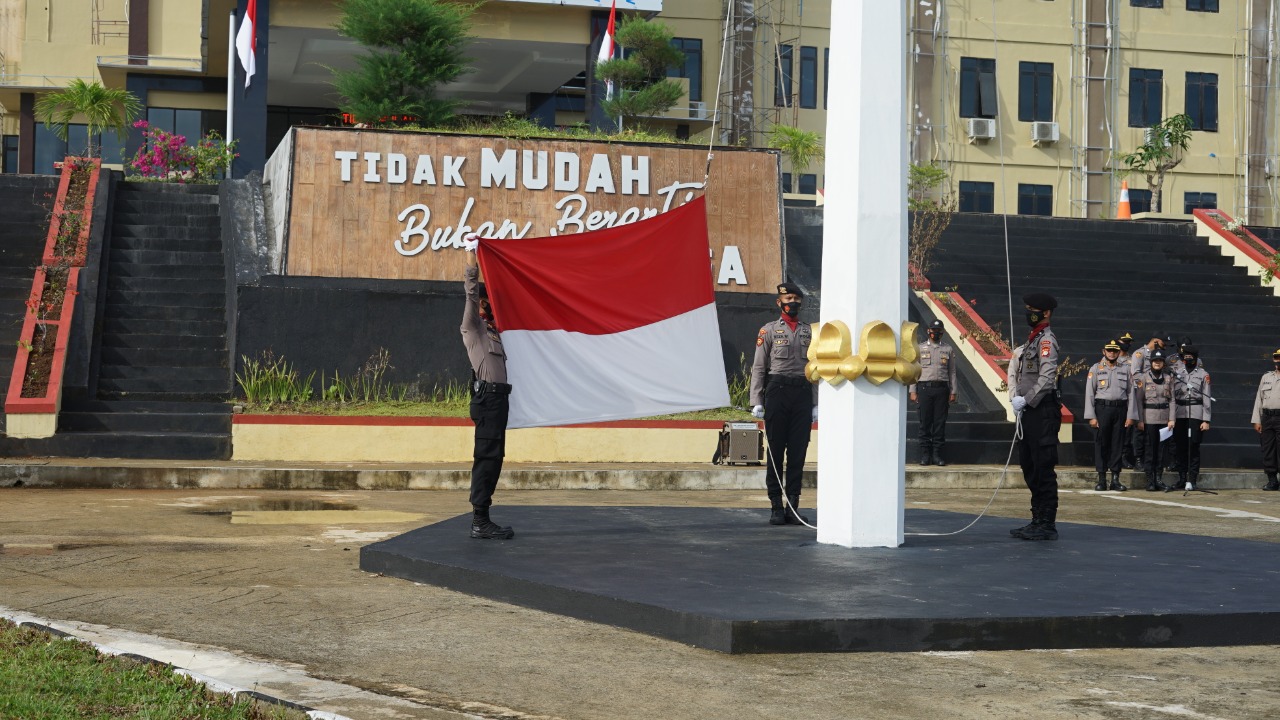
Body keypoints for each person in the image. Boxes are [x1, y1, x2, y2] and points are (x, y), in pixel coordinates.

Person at [460, 235, 515, 540]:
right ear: (482, 304)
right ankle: (480, 521)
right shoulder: (474, 328)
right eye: (490, 300)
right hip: (488, 400)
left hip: (499, 401)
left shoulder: (494, 332)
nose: (495, 304)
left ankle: (483, 518)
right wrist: (472, 254)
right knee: (486, 457)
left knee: (494, 458)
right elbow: (470, 293)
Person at [750, 283, 817, 526]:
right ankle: (776, 507)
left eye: (796, 299)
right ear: (779, 302)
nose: (793, 302)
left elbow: (815, 369)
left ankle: (793, 508)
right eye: (788, 298)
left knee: (798, 453)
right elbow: (759, 367)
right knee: (776, 452)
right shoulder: (768, 330)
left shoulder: (810, 331)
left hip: (802, 393)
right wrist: (757, 400)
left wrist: (815, 403)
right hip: (777, 391)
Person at [1007, 293, 1061, 541]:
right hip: (1029, 412)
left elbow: (1047, 378)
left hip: (1042, 411)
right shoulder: (1032, 341)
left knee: (1042, 467)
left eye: (1033, 309)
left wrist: (1026, 400)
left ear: (1046, 313)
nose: (1029, 313)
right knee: (1029, 466)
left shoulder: (1046, 341)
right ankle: (1036, 518)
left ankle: (1047, 523)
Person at [909, 319, 957, 466]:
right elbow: (914, 370)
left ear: (942, 332)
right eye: (933, 330)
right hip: (924, 389)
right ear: (928, 331)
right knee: (925, 422)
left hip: (942, 389)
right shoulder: (920, 348)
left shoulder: (947, 349)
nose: (936, 333)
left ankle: (936, 454)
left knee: (939, 423)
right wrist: (912, 390)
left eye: (939, 331)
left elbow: (952, 371)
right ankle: (925, 454)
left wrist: (953, 391)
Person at [1127, 348, 1176, 492]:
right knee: (1149, 450)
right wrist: (1140, 420)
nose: (1157, 363)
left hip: (1164, 420)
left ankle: (1158, 479)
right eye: (1155, 361)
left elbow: (1172, 400)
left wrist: (1172, 419)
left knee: (1161, 451)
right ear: (1151, 362)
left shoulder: (1168, 378)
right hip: (1149, 419)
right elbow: (1139, 401)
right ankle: (1150, 480)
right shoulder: (1143, 378)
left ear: (1163, 363)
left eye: (1160, 361)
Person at [1084, 339, 1130, 492]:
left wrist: (1131, 415)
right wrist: (1091, 416)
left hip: (1120, 409)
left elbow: (1131, 393)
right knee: (1101, 444)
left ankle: (1115, 479)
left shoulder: (1125, 369)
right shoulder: (1096, 368)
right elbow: (1090, 393)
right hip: (1102, 409)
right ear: (1104, 351)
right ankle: (1102, 479)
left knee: (1117, 444)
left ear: (1118, 352)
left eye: (1115, 351)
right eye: (1109, 350)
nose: (1112, 353)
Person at [1172, 345, 1212, 491]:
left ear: (1195, 358)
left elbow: (1207, 398)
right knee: (1180, 447)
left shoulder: (1203, 374)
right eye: (1185, 357)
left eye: (1190, 357)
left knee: (1193, 447)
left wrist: (1206, 420)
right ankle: (1182, 478)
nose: (1187, 359)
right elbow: (1172, 396)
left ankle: (1192, 479)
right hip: (1179, 413)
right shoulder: (1177, 373)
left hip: (1195, 413)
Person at [1128, 334, 1165, 469]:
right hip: (1141, 393)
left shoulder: (1159, 355)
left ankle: (1153, 461)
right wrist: (1150, 381)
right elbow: (1135, 374)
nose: (1165, 347)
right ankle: (1138, 459)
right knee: (1139, 429)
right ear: (1156, 341)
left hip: (1156, 395)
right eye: (1163, 344)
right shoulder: (1140, 353)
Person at [1252, 348, 1280, 491]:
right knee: (1268, 449)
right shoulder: (1266, 377)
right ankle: (1272, 480)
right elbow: (1259, 398)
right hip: (1267, 417)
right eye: (1276, 357)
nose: (1277, 360)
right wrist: (1257, 420)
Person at [1116, 332, 1138, 469]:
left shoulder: (1133, 360)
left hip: (1128, 399)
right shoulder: (1111, 358)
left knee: (1127, 431)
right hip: (1115, 398)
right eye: (1124, 341)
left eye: (1129, 342)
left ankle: (1124, 456)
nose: (1127, 344)